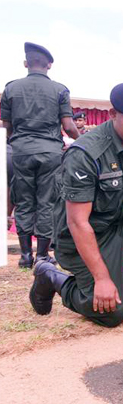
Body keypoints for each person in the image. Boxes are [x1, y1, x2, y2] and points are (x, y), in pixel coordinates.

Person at [28, 82, 123, 328]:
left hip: (116, 224)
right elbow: (77, 222)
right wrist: (101, 279)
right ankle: (52, 277)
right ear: (112, 115)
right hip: (82, 237)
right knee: (111, 313)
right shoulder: (86, 153)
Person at [1, 42, 79, 268]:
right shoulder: (60, 90)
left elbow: (6, 126)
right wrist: (83, 141)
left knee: (24, 201)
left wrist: (20, 143)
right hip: (51, 153)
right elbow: (68, 125)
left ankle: (26, 256)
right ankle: (43, 256)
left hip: (21, 151)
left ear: (26, 63)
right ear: (49, 65)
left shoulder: (11, 88)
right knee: (47, 202)